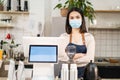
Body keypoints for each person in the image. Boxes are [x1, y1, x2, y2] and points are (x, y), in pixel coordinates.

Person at [59, 7, 95, 78]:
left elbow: (90, 58)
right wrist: (81, 55)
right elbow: (61, 56)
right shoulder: (63, 37)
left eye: (77, 17)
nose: (75, 19)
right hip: (66, 73)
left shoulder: (89, 37)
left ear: (82, 19)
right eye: (72, 18)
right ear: (68, 21)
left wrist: (71, 58)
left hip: (84, 74)